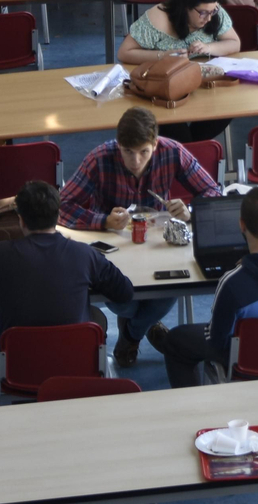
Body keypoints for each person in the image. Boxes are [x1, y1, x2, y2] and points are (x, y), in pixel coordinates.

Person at [59, 107, 224, 366]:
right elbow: (61, 206)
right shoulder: (99, 158)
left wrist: (190, 211)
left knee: (167, 292)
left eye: (144, 152)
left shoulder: (172, 151)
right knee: (122, 302)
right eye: (128, 152)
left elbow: (215, 194)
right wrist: (102, 220)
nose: (135, 162)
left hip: (159, 245)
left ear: (155, 144)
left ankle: (130, 335)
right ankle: (144, 326)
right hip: (114, 246)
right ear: (118, 145)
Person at [146, 186, 258, 387]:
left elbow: (217, 341)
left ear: (241, 225)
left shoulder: (233, 284)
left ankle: (193, 413)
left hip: (252, 363)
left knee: (175, 340)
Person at [0, 180, 135, 338]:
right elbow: (125, 292)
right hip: (75, 363)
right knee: (95, 317)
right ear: (58, 216)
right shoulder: (85, 254)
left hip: (17, 364)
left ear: (21, 220)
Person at [117, 0, 240, 143]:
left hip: (202, 86)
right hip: (166, 90)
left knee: (228, 110)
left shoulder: (212, 11)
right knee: (177, 131)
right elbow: (124, 52)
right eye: (203, 13)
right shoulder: (157, 19)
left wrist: (209, 48)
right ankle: (189, 152)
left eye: (213, 11)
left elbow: (234, 43)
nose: (209, 18)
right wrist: (163, 56)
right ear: (186, 7)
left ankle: (187, 151)